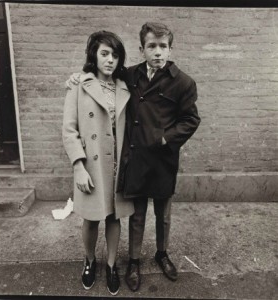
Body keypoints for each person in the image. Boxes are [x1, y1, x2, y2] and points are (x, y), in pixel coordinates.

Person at [66, 22, 200, 292]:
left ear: (170, 49)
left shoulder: (182, 82)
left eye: (163, 46)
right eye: (152, 46)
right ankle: (134, 261)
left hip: (163, 158)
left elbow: (191, 119)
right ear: (142, 49)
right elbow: (98, 79)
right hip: (135, 158)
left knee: (163, 214)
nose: (158, 52)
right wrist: (77, 76)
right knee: (135, 214)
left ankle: (162, 254)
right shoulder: (130, 75)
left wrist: (166, 138)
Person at [62, 30, 134, 296]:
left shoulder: (125, 86)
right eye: (104, 53)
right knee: (92, 219)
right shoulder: (79, 86)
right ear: (93, 54)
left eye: (115, 55)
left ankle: (112, 265)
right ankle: (90, 261)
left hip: (118, 165)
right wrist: (78, 167)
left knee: (115, 217)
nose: (110, 60)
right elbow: (69, 130)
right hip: (91, 165)